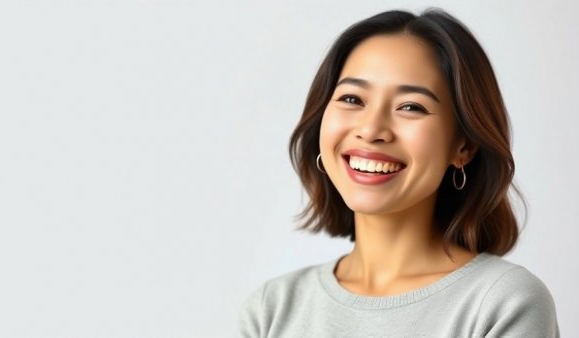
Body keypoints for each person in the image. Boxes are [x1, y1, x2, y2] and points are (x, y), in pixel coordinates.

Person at [236, 8, 559, 337]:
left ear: (463, 147)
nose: (372, 129)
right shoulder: (271, 309)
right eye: (352, 98)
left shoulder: (503, 303)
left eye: (411, 107)